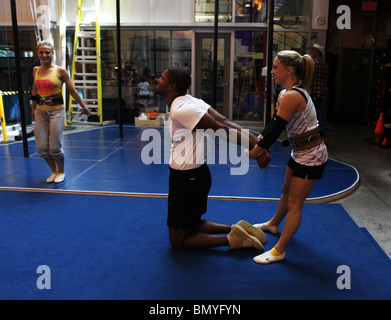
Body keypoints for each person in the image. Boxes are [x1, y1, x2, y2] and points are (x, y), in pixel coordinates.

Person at [156, 67, 267, 250]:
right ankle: (236, 229)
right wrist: (258, 144)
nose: (158, 80)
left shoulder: (182, 109)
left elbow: (221, 129)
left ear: (172, 86)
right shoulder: (191, 101)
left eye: (162, 77)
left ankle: (233, 240)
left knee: (178, 240)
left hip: (186, 179)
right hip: (197, 175)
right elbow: (225, 121)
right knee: (192, 223)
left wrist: (257, 149)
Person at [248, 51, 328, 264]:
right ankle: (274, 223)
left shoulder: (292, 95)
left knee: (295, 203)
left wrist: (257, 150)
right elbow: (273, 123)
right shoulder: (287, 92)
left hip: (311, 155)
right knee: (285, 190)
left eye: (275, 67)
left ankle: (279, 251)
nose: (272, 71)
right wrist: (259, 143)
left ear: (289, 70)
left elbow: (276, 129)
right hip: (299, 151)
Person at [31, 41, 90, 183]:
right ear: (38, 53)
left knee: (55, 148)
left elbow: (72, 89)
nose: (44, 55)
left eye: (47, 52)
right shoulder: (36, 70)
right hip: (40, 111)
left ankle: (61, 171)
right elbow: (34, 90)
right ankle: (54, 171)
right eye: (41, 52)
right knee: (42, 149)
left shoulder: (60, 71)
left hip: (56, 112)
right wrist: (33, 108)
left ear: (52, 54)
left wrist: (83, 106)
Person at [308, 44, 328, 118]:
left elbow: (310, 79)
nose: (310, 52)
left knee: (310, 114)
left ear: (317, 53)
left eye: (312, 50)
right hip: (320, 93)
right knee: (316, 113)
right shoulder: (324, 64)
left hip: (313, 93)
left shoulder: (314, 63)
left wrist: (309, 91)